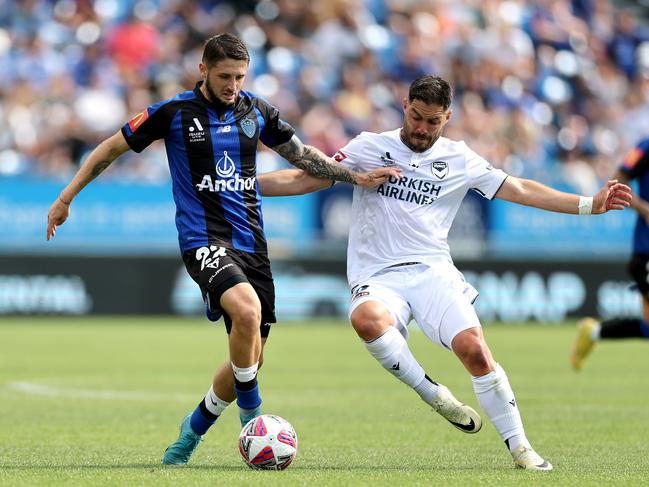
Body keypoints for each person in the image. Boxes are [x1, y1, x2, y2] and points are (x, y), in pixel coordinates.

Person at [45, 33, 400, 466]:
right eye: (224, 76)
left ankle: (190, 432)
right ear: (203, 71)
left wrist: (354, 177)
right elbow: (111, 148)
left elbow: (303, 156)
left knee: (249, 356)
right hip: (203, 240)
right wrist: (67, 197)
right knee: (246, 313)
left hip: (253, 246)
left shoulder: (257, 111)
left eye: (239, 76)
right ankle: (254, 421)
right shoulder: (173, 113)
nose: (232, 85)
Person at [258, 75, 632, 471]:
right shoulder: (370, 147)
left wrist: (589, 204)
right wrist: (241, 183)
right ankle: (432, 393)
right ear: (405, 106)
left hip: (433, 273)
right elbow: (304, 179)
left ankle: (522, 449)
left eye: (432, 122)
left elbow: (518, 189)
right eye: (416, 117)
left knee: (475, 351)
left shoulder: (460, 159)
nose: (421, 129)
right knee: (366, 320)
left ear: (447, 118)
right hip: (378, 275)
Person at [571, 137, 649, 371]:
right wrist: (644, 209)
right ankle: (594, 332)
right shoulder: (645, 148)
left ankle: (593, 332)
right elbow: (617, 182)